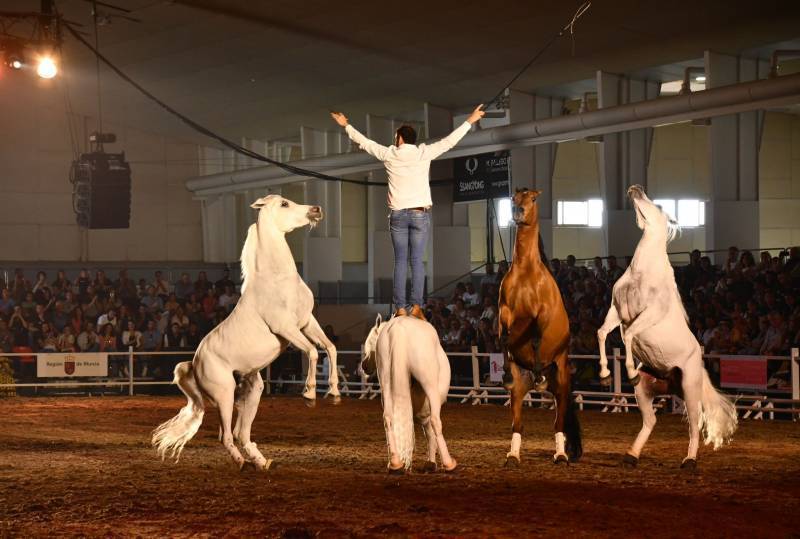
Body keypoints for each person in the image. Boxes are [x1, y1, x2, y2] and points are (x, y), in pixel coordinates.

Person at [331, 104, 485, 319]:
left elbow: (364, 142)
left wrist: (346, 125)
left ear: (400, 138)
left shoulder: (390, 154)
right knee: (417, 261)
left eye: (396, 136)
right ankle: (417, 306)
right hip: (420, 214)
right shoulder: (423, 152)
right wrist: (470, 120)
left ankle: (400, 307)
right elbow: (450, 141)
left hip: (398, 216)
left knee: (401, 262)